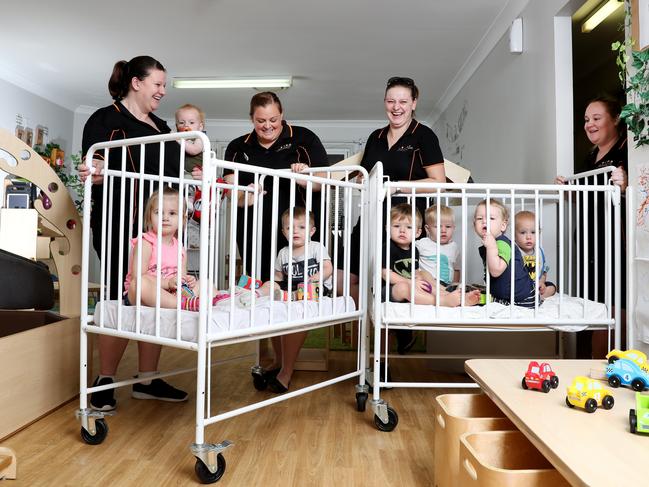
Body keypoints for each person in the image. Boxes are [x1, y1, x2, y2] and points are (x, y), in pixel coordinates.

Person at [79, 55, 187, 411]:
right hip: (118, 225)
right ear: (136, 83)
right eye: (157, 84)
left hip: (160, 232)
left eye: (164, 85)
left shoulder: (162, 127)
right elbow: (94, 165)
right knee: (119, 296)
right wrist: (94, 172)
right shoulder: (105, 119)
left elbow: (173, 178)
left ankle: (147, 379)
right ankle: (105, 379)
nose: (162, 91)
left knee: (153, 295)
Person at [221, 91, 329, 390]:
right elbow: (233, 196)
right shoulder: (237, 147)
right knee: (266, 294)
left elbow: (323, 183)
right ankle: (276, 359)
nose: (267, 126)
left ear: (282, 115)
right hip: (253, 231)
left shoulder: (304, 138)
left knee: (296, 295)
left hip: (296, 235)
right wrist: (248, 193)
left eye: (273, 120)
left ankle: (286, 369)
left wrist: (304, 176)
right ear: (251, 119)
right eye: (260, 121)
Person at [350, 76, 447, 351]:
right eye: (391, 101)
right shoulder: (376, 137)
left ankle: (390, 347)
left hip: (403, 224)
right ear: (384, 103)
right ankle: (365, 351)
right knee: (358, 278)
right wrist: (360, 181)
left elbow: (438, 183)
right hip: (371, 218)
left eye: (403, 101)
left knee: (396, 283)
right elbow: (368, 176)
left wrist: (396, 187)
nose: (397, 107)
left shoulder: (424, 135)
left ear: (414, 103)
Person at [555, 95, 628, 357]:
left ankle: (610, 365)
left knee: (616, 304)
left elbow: (631, 188)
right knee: (596, 304)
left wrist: (625, 183)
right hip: (590, 239)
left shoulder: (627, 149)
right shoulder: (591, 156)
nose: (589, 124)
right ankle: (596, 365)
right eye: (587, 120)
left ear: (615, 119)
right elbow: (588, 195)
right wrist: (568, 190)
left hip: (615, 239)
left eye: (596, 118)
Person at [256, 207, 333, 393]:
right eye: (290, 228)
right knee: (273, 304)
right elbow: (278, 276)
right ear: (284, 232)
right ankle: (278, 360)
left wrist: (317, 277)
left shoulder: (316, 247)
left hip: (314, 289)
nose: (296, 231)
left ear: (312, 231)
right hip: (291, 290)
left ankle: (286, 371)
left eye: (301, 227)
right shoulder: (283, 252)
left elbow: (327, 267)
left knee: (295, 310)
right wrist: (271, 285)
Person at [123, 188, 225, 312]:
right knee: (139, 283)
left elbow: (180, 278)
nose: (165, 218)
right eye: (158, 212)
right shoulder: (146, 243)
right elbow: (137, 276)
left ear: (182, 219)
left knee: (205, 282)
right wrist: (167, 283)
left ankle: (218, 303)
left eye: (172, 213)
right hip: (143, 295)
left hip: (172, 293)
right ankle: (182, 304)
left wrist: (187, 281)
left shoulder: (180, 248)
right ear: (149, 217)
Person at [383, 204, 478, 307]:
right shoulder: (387, 247)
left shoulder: (414, 250)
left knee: (424, 275)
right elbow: (385, 274)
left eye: (409, 227)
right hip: (391, 289)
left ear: (418, 233)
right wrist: (410, 282)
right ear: (388, 228)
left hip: (411, 286)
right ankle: (441, 301)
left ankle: (453, 297)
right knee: (403, 287)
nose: (402, 230)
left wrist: (419, 281)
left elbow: (415, 273)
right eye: (397, 226)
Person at [474, 199, 535, 308]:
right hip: (506, 295)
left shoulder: (502, 244)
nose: (484, 221)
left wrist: (492, 247)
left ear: (503, 225)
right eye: (479, 218)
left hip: (521, 298)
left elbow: (496, 270)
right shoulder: (490, 243)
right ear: (475, 225)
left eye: (491, 218)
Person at [514, 211, 556, 300]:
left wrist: (541, 282)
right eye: (523, 233)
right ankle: (530, 298)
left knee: (552, 287)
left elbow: (543, 271)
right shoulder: (514, 250)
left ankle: (537, 297)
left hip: (535, 285)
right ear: (514, 235)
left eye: (533, 232)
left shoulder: (539, 251)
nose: (528, 237)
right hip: (519, 286)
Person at [416, 204, 460, 285]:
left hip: (446, 286)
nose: (443, 230)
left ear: (454, 228)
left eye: (448, 226)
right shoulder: (422, 243)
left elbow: (456, 269)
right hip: (427, 284)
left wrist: (454, 286)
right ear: (427, 229)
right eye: (438, 226)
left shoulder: (454, 247)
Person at [175, 103, 206, 177]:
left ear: (200, 127)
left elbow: (194, 150)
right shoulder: (178, 139)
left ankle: (190, 189)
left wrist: (179, 140)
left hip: (193, 172)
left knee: (187, 180)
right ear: (177, 126)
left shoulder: (200, 138)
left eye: (191, 122)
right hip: (179, 171)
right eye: (181, 123)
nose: (186, 125)